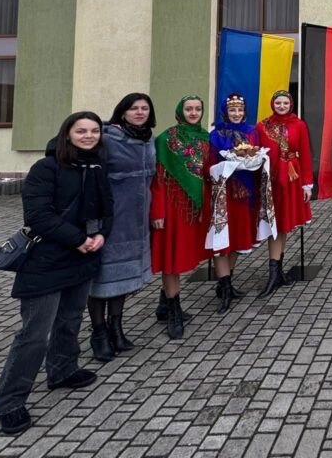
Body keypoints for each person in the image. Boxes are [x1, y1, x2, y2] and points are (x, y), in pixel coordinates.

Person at [0, 112, 113, 435]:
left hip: (83, 258)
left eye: (94, 131)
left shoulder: (97, 167)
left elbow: (108, 208)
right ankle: (10, 401)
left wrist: (102, 234)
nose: (88, 136)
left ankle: (62, 370)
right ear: (67, 133)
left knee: (70, 319)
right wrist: (79, 240)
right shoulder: (46, 168)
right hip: (46, 261)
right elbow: (37, 216)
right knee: (34, 334)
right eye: (81, 130)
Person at [88, 93, 156, 363]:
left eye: (144, 109)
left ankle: (117, 328)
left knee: (125, 276)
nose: (139, 112)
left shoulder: (148, 137)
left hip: (137, 218)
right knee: (103, 277)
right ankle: (98, 333)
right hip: (110, 216)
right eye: (134, 108)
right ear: (123, 111)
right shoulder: (106, 138)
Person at [150, 96, 211, 340]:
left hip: (195, 208)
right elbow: (157, 179)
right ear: (180, 111)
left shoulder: (205, 137)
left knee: (184, 255)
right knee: (171, 257)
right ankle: (174, 311)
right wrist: (158, 213)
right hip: (172, 207)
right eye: (189, 109)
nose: (193, 112)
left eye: (197, 109)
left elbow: (206, 170)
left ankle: (164, 303)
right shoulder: (166, 139)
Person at [255, 90, 313, 295]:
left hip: (291, 178)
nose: (281, 106)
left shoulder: (299, 125)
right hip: (270, 179)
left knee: (284, 224)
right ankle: (273, 271)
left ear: (291, 104)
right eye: (278, 102)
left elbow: (305, 153)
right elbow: (255, 150)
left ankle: (277, 270)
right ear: (272, 104)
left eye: (285, 102)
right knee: (274, 223)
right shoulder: (262, 126)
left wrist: (307, 184)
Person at [208, 93, 262, 312]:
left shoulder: (252, 132)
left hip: (245, 192)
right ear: (225, 112)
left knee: (237, 237)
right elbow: (210, 164)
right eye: (232, 110)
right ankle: (224, 285)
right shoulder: (216, 135)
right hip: (224, 193)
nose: (237, 114)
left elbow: (256, 157)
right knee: (222, 238)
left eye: (240, 110)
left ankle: (228, 281)